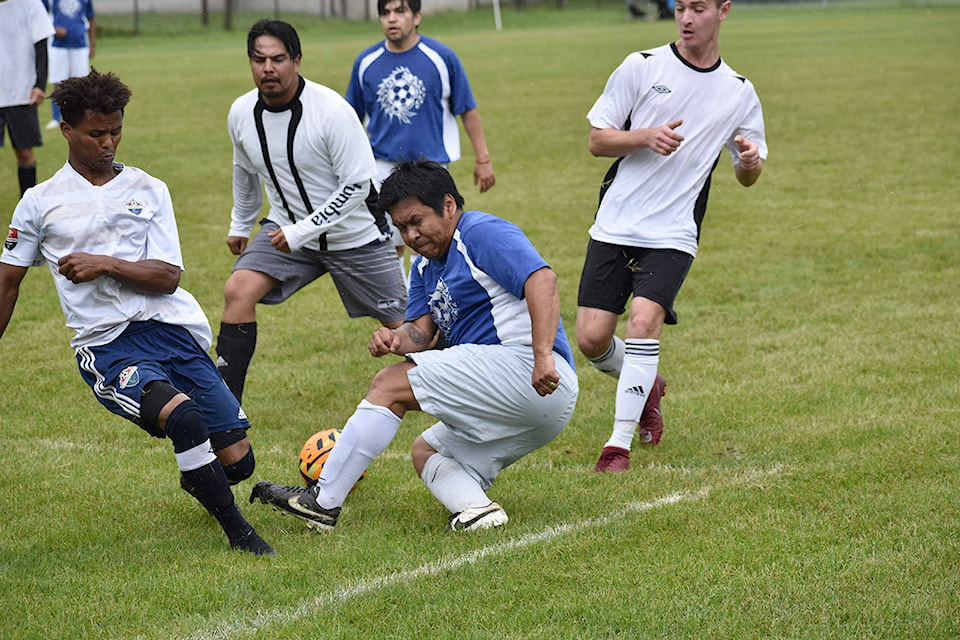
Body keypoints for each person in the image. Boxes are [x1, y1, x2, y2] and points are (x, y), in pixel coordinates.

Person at [0, 70, 275, 555]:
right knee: (184, 418)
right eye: (96, 133)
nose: (108, 143)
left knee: (237, 464)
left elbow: (168, 276)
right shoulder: (38, 203)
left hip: (172, 332)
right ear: (66, 130)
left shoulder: (150, 189)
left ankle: (201, 478)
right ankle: (241, 536)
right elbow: (8, 281)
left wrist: (103, 263)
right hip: (106, 345)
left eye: (116, 132)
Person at [250, 160, 578, 532]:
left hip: (533, 374)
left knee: (390, 385)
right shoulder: (424, 266)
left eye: (417, 221)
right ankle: (477, 511)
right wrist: (395, 339)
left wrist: (542, 357)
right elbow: (420, 334)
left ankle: (323, 502)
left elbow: (543, 281)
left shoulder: (479, 232)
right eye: (401, 227)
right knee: (426, 452)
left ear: (449, 205)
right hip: (535, 407)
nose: (411, 235)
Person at [577, 0, 767, 472]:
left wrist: (748, 163)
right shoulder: (641, 66)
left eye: (697, 8)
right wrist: (644, 136)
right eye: (679, 7)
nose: (685, 18)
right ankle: (649, 385)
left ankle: (617, 447)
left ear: (723, 11)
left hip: (674, 230)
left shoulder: (738, 91)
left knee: (643, 323)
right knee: (591, 339)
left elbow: (750, 175)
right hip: (617, 221)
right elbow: (598, 140)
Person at [216, 19, 407, 404]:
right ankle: (224, 408)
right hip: (284, 230)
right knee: (238, 290)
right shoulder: (240, 113)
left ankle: (460, 392)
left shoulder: (333, 111)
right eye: (259, 59)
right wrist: (240, 223)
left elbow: (357, 185)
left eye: (278, 59)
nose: (268, 68)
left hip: (355, 236)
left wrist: (302, 231)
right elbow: (244, 172)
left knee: (406, 327)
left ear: (297, 61)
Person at [345, 0, 496, 271]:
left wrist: (483, 159)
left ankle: (429, 302)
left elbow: (467, 109)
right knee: (388, 240)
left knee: (429, 240)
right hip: (381, 165)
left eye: (400, 11)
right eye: (385, 13)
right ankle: (399, 305)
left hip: (430, 164)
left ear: (417, 17)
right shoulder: (365, 62)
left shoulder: (441, 58)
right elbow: (350, 118)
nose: (392, 19)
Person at [0, 0, 55, 197]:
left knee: (24, 154)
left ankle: (27, 206)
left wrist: (40, 85)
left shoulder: (30, 4)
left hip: (21, 93)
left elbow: (42, 47)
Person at [42, 0, 97, 130]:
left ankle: (82, 117)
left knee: (82, 84)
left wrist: (92, 44)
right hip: (57, 46)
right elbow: (40, 16)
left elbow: (91, 18)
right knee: (58, 82)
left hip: (80, 44)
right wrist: (54, 29)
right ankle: (56, 118)